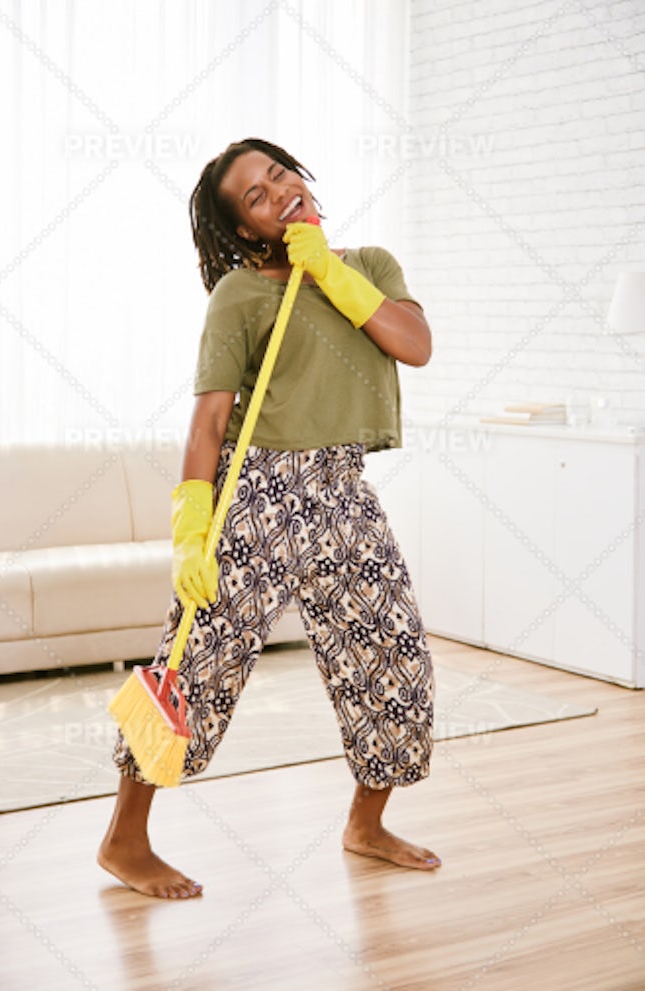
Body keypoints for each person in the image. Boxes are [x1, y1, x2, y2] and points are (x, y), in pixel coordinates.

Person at [98, 137, 438, 899]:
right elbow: (208, 423)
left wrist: (329, 270)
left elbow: (413, 344)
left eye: (278, 174)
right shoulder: (241, 296)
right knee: (195, 666)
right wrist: (193, 526)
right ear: (247, 230)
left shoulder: (370, 264)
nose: (276, 191)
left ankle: (366, 824)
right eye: (255, 195)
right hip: (256, 496)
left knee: (394, 653)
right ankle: (124, 839)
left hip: (343, 489)